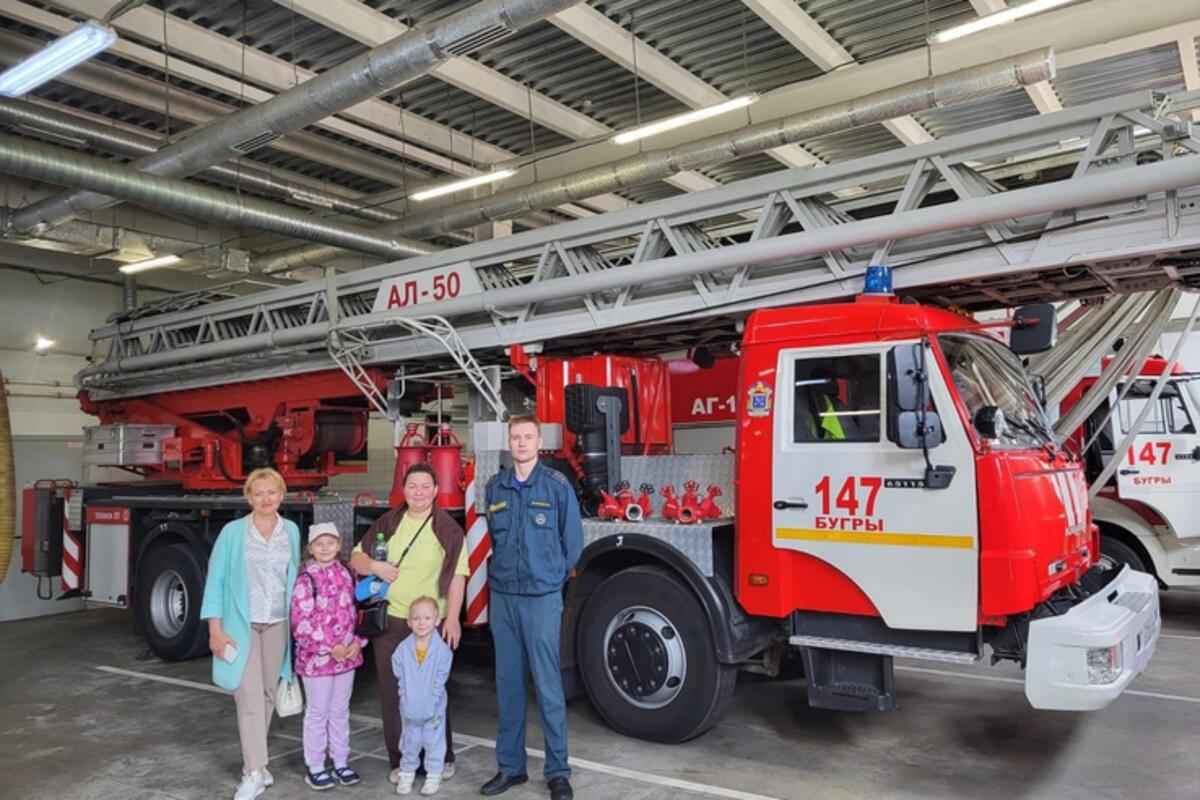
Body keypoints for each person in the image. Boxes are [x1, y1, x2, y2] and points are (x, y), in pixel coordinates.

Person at [480, 414, 583, 800]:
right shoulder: (496, 488)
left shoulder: (557, 487)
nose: (522, 443)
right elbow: (494, 538)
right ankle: (511, 768)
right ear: (510, 443)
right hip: (504, 596)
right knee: (507, 684)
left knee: (548, 685)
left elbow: (573, 543)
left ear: (539, 442)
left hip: (541, 599)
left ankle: (558, 772)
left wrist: (550, 579)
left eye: (528, 437)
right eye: (516, 437)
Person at [348, 463, 468, 787]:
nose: (418, 492)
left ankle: (442, 757)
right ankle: (399, 761)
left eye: (425, 486)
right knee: (392, 692)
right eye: (412, 486)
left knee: (432, 694)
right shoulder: (389, 521)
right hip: (392, 620)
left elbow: (458, 576)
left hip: (429, 626)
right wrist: (375, 566)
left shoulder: (447, 529)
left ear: (435, 489)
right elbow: (355, 558)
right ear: (404, 490)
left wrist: (453, 617)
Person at [201, 467, 301, 800]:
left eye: (271, 492)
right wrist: (215, 629)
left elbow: (295, 578)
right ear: (248, 498)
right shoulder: (233, 533)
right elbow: (215, 580)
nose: (265, 499)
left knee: (269, 692)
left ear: (281, 495)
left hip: (278, 623)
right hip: (240, 626)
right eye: (258, 493)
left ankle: (257, 763)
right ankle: (254, 771)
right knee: (248, 696)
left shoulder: (291, 531)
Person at [290, 522, 366, 790]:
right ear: (311, 548)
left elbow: (360, 610)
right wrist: (328, 647)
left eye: (330, 542)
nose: (325, 548)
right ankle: (316, 765)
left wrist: (358, 642)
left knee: (340, 710)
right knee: (318, 712)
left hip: (347, 657)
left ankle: (341, 760)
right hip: (317, 660)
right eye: (319, 544)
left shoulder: (347, 573)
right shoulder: (305, 579)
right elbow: (301, 623)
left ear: (339, 545)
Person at [391, 596, 454, 796]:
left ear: (437, 620)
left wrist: (432, 705)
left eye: (427, 618)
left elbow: (439, 682)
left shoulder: (442, 652)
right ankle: (407, 773)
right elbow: (399, 676)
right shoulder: (402, 650)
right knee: (409, 741)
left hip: (433, 709)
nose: (421, 623)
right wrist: (404, 699)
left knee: (434, 742)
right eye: (416, 618)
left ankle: (434, 775)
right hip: (409, 707)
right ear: (409, 622)